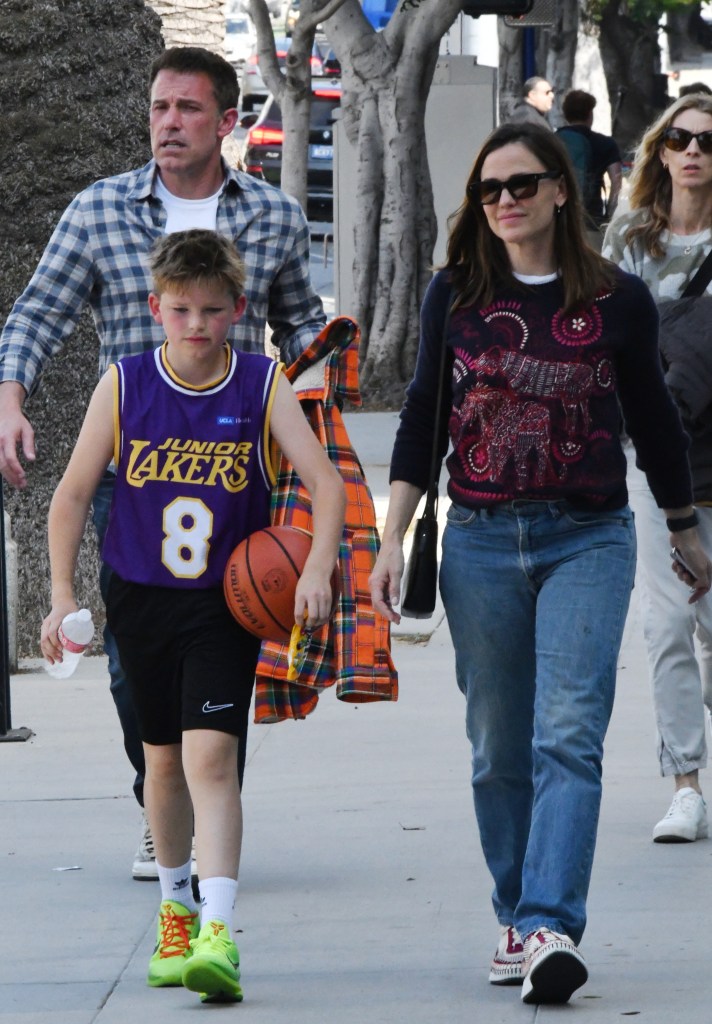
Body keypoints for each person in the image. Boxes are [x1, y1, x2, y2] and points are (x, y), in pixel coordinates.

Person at [370, 122, 711, 1005]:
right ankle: (517, 916)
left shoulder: (619, 300)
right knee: (497, 749)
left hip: (586, 538)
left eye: (522, 184)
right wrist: (391, 532)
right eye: (491, 191)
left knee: (568, 736)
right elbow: (421, 416)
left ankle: (552, 922)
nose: (506, 201)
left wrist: (680, 527)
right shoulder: (457, 294)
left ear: (563, 189)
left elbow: (654, 421)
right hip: (480, 540)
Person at [0, 45, 326, 879]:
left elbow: (297, 329)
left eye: (186, 110)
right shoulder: (100, 210)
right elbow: (37, 313)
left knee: (226, 644)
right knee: (132, 671)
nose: (168, 123)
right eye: (158, 108)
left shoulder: (273, 218)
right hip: (131, 474)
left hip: (229, 474)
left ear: (225, 123)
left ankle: (208, 819)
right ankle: (162, 796)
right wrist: (10, 397)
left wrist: (320, 397)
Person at [40, 229, 345, 1003]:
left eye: (213, 310)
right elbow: (71, 495)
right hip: (138, 598)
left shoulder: (261, 382)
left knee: (212, 758)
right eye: (181, 310)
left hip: (224, 601)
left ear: (239, 310)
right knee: (163, 763)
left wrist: (314, 566)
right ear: (156, 309)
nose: (198, 324)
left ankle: (218, 926)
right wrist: (62, 597)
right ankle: (173, 908)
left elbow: (326, 481)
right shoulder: (124, 382)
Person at [603, 93, 712, 843]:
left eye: (708, 139)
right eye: (680, 137)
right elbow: (603, 337)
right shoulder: (631, 242)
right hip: (656, 460)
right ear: (661, 150)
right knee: (668, 625)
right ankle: (686, 784)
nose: (694, 150)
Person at [556, 89, 622, 241]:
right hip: (592, 221)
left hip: (559, 222)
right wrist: (609, 217)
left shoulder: (552, 141)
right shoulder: (605, 143)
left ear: (566, 115)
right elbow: (616, 181)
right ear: (590, 114)